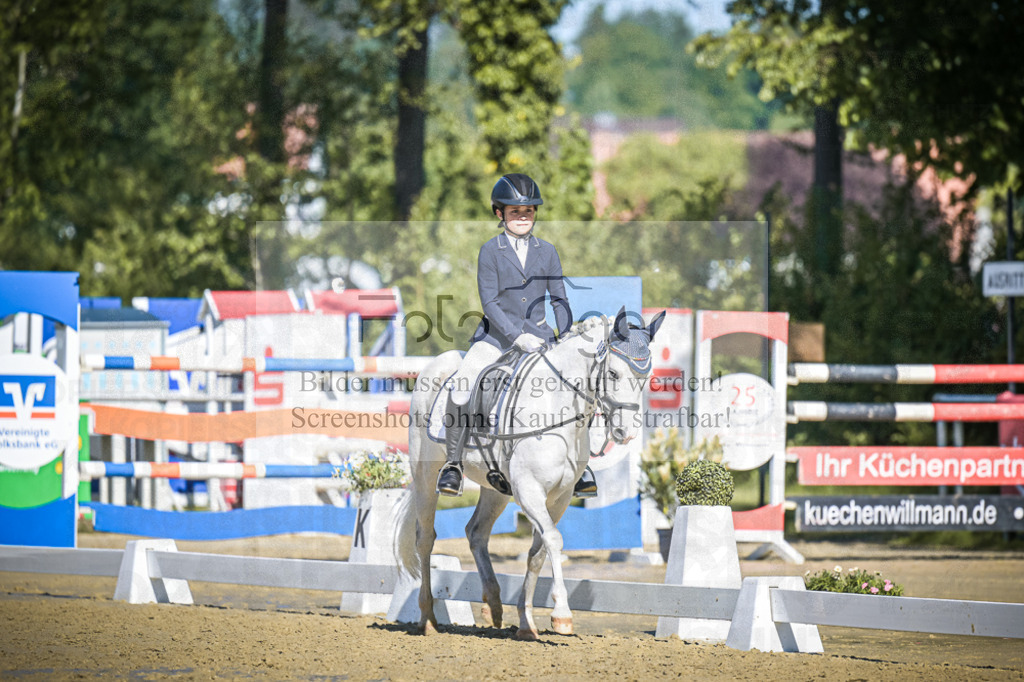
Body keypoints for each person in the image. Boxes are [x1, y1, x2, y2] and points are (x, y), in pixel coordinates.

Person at [436, 172, 598, 498]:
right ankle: (453, 464)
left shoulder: (547, 251)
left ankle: (581, 464)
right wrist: (515, 336)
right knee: (464, 380)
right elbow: (489, 301)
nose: (522, 217)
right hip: (496, 338)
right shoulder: (490, 251)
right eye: (514, 212)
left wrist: (565, 334)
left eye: (527, 212)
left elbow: (559, 298)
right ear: (500, 213)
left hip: (541, 337)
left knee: (578, 384)